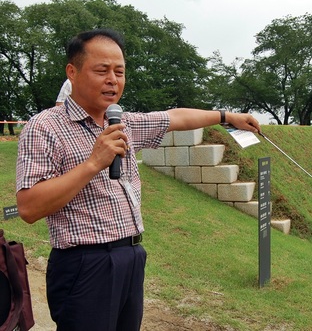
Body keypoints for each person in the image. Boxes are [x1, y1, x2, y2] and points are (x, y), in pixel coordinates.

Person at [15, 28, 261, 331]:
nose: (113, 80)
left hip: (131, 256)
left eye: (119, 71)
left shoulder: (123, 121)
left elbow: (176, 117)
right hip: (84, 264)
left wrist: (226, 116)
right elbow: (28, 207)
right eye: (102, 70)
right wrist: (94, 163)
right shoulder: (45, 127)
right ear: (73, 72)